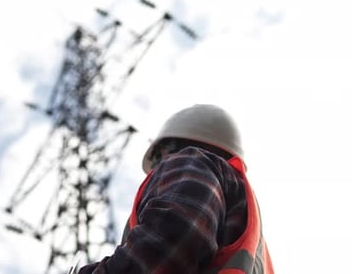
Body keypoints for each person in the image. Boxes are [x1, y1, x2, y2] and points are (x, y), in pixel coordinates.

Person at [78, 104, 274, 274]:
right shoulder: (253, 243)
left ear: (166, 149)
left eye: (159, 159)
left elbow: (174, 238)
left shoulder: (192, 161)